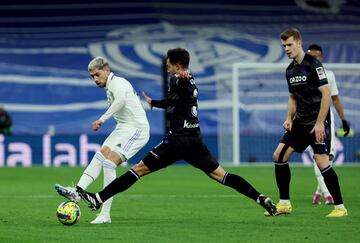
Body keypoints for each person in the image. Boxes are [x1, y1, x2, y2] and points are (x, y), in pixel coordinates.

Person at [76, 48, 277, 217]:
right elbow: (174, 101)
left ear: (177, 66)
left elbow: (178, 84)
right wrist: (154, 102)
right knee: (221, 175)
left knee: (138, 170)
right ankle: (260, 198)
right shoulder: (191, 82)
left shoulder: (177, 79)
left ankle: (98, 198)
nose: (167, 67)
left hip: (177, 141)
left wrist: (178, 79)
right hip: (195, 141)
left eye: (169, 64)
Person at [54, 56, 150, 224]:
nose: (95, 79)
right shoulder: (110, 86)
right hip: (123, 128)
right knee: (101, 155)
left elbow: (120, 101)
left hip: (137, 129)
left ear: (107, 70)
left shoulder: (118, 83)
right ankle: (77, 191)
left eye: (97, 75)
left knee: (109, 163)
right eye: (92, 77)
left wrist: (102, 119)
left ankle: (105, 215)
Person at [266, 28, 347, 217]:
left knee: (321, 161)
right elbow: (293, 97)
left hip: (317, 122)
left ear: (299, 43)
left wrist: (320, 123)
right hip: (300, 123)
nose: (286, 49)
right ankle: (285, 204)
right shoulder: (290, 70)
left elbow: (326, 94)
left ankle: (340, 207)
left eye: (289, 45)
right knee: (279, 156)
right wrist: (288, 118)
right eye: (284, 46)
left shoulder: (313, 64)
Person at [307, 43, 350, 205]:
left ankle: (320, 193)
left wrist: (343, 119)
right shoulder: (302, 75)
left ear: (321, 58)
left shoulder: (328, 75)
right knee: (318, 156)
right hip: (307, 119)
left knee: (327, 157)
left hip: (325, 119)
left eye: (315, 57)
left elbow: (335, 99)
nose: (312, 59)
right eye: (310, 56)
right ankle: (327, 194)